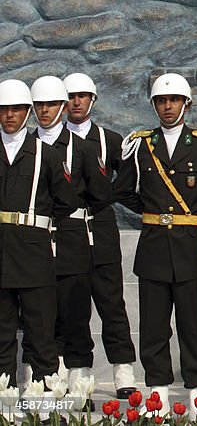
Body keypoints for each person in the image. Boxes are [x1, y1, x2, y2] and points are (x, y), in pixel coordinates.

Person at [112, 74, 197, 416]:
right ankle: (157, 395)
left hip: (191, 249)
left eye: (174, 100)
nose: (168, 106)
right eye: (161, 101)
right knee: (154, 327)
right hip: (154, 250)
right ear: (154, 105)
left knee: (192, 325)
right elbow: (122, 190)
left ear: (186, 104)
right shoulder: (143, 145)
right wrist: (151, 209)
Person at [29, 76, 112, 403]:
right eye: (38, 106)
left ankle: (79, 387)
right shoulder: (26, 146)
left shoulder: (85, 149)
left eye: (50, 105)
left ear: (64, 108)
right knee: (42, 320)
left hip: (72, 239)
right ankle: (46, 387)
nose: (44, 111)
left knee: (75, 317)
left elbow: (101, 195)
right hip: (33, 243)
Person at [63, 72, 137, 399]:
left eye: (82, 96)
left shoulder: (109, 139)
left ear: (93, 100)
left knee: (111, 303)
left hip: (102, 229)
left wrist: (105, 194)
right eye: (70, 96)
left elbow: (128, 180)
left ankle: (123, 369)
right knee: (73, 306)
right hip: (67, 230)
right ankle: (79, 372)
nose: (76, 102)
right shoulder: (49, 139)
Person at [0, 79, 75, 391]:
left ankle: (45, 406)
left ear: (28, 113)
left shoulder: (46, 154)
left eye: (16, 109)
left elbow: (67, 201)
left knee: (41, 334)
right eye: (4, 109)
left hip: (34, 254)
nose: (9, 115)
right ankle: (4, 404)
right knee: (2, 336)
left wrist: (36, 223)